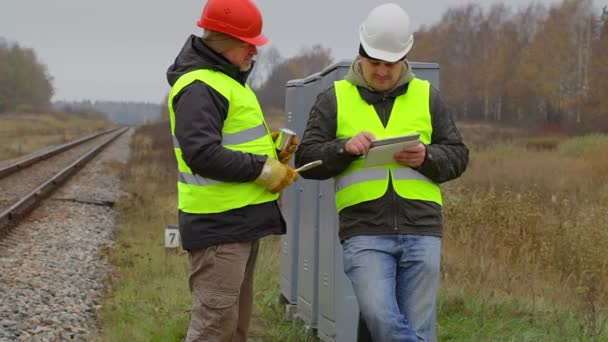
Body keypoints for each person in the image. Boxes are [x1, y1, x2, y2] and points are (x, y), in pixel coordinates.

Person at [295, 3, 469, 341]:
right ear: (360, 54)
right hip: (364, 230)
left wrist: (427, 157)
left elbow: (459, 156)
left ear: (405, 58)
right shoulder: (333, 99)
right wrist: (342, 148)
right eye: (375, 63)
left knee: (417, 325)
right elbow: (307, 160)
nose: (383, 72)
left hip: (422, 227)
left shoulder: (427, 97)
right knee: (380, 317)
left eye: (390, 64)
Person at [165, 0, 299, 340]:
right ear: (225, 43)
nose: (254, 50)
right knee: (213, 329)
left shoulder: (226, 82)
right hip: (219, 229)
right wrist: (264, 169)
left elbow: (226, 142)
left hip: (237, 223)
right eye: (248, 43)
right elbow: (202, 154)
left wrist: (270, 149)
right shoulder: (201, 86)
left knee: (233, 328)